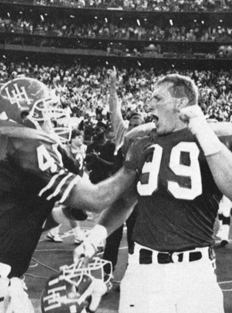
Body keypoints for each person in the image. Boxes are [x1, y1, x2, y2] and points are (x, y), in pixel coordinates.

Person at [0, 77, 134, 313]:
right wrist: (133, 164)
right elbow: (96, 199)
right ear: (24, 114)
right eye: (43, 111)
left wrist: (60, 215)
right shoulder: (25, 144)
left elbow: (10, 218)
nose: (49, 119)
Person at [74, 73, 232, 313]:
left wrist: (203, 130)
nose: (150, 105)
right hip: (143, 270)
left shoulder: (212, 138)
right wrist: (97, 233)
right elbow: (126, 199)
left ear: (180, 103)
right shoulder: (143, 143)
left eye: (158, 98)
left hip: (195, 272)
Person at [102, 67, 145, 282]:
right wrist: (112, 85)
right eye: (133, 124)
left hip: (138, 200)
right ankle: (106, 276)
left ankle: (132, 278)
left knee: (136, 242)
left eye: (139, 125)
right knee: (111, 239)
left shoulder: (149, 141)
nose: (135, 128)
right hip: (118, 197)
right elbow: (114, 109)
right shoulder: (122, 136)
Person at [47, 128, 88, 244]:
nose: (81, 139)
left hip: (77, 179)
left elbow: (82, 166)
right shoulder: (66, 150)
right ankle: (77, 235)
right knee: (71, 208)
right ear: (72, 138)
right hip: (69, 181)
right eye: (79, 137)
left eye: (82, 137)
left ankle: (54, 231)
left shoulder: (83, 148)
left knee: (68, 208)